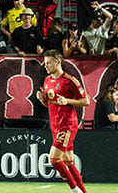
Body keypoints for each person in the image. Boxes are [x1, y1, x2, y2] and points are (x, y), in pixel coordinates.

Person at [37, 49, 89, 193]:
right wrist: (42, 99)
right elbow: (50, 104)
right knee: (68, 161)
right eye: (45, 63)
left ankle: (75, 190)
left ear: (58, 62)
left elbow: (86, 101)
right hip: (55, 125)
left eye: (48, 63)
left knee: (53, 159)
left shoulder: (70, 81)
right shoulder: (47, 81)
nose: (45, 66)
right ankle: (83, 192)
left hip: (67, 125)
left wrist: (67, 101)